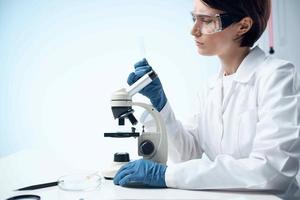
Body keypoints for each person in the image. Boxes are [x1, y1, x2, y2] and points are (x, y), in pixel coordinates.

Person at [113, 0, 300, 191]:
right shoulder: (209, 87)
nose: (194, 30)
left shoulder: (276, 75)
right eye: (194, 18)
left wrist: (164, 175)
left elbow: (272, 170)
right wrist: (160, 104)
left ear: (243, 26)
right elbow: (187, 154)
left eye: (207, 20)